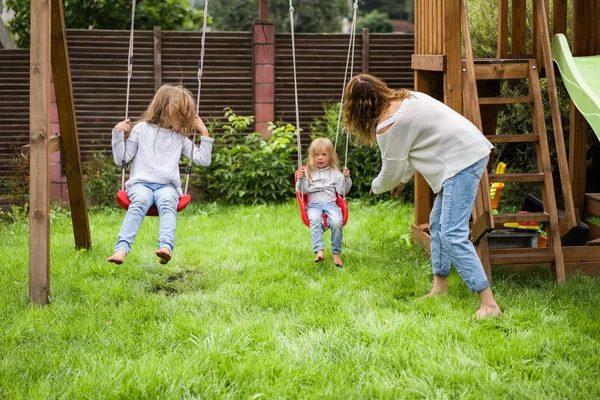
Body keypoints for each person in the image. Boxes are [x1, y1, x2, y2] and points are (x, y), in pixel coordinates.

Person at [343, 73, 502, 319]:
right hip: (467, 151)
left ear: (358, 108)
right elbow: (409, 152)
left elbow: (391, 171)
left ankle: (489, 304)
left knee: (451, 233)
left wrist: (377, 186)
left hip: (462, 161)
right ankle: (440, 289)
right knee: (438, 225)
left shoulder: (389, 125)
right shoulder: (408, 99)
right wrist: (402, 180)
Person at [107, 84, 213, 265]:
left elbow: (203, 159)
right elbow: (122, 159)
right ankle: (121, 249)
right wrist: (117, 134)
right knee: (139, 201)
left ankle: (165, 248)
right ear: (168, 109)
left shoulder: (179, 137)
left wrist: (204, 133)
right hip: (141, 184)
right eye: (183, 115)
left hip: (167, 187)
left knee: (167, 203)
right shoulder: (141, 130)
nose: (187, 120)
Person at [296, 138, 352, 267]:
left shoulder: (335, 173)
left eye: (324, 154)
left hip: (331, 204)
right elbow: (302, 192)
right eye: (316, 155)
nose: (320, 158)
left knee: (337, 222)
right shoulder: (307, 172)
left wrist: (346, 178)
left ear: (330, 156)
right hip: (313, 205)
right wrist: (301, 180)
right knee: (315, 220)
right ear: (311, 156)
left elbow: (342, 190)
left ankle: (336, 254)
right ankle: (319, 251)